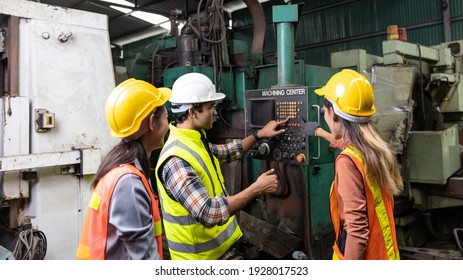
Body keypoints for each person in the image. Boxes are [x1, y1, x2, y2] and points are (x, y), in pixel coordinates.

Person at [155, 72, 287, 260]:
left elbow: (228, 151)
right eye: (210, 107)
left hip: (220, 252)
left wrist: (260, 134)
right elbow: (209, 212)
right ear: (193, 112)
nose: (215, 112)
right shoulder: (176, 160)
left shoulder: (194, 141)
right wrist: (256, 188)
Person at [76, 78, 172, 260]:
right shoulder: (128, 183)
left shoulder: (122, 169)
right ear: (152, 122)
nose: (168, 125)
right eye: (167, 118)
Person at [314, 69, 403, 260]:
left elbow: (357, 232)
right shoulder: (375, 149)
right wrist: (319, 132)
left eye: (325, 112)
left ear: (334, 114)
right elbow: (347, 143)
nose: (325, 117)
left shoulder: (347, 162)